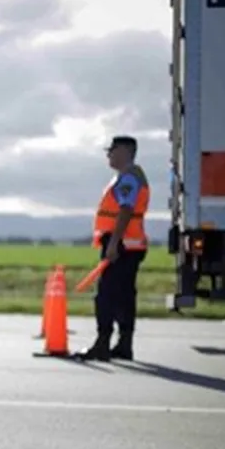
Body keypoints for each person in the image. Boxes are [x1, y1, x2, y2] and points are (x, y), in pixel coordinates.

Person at [76, 135, 150, 361]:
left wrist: (114, 242)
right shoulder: (130, 176)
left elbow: (126, 210)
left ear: (125, 151)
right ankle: (124, 345)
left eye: (112, 150)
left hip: (121, 245)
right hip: (130, 244)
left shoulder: (128, 178)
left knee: (106, 296)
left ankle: (103, 344)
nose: (108, 155)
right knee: (125, 296)